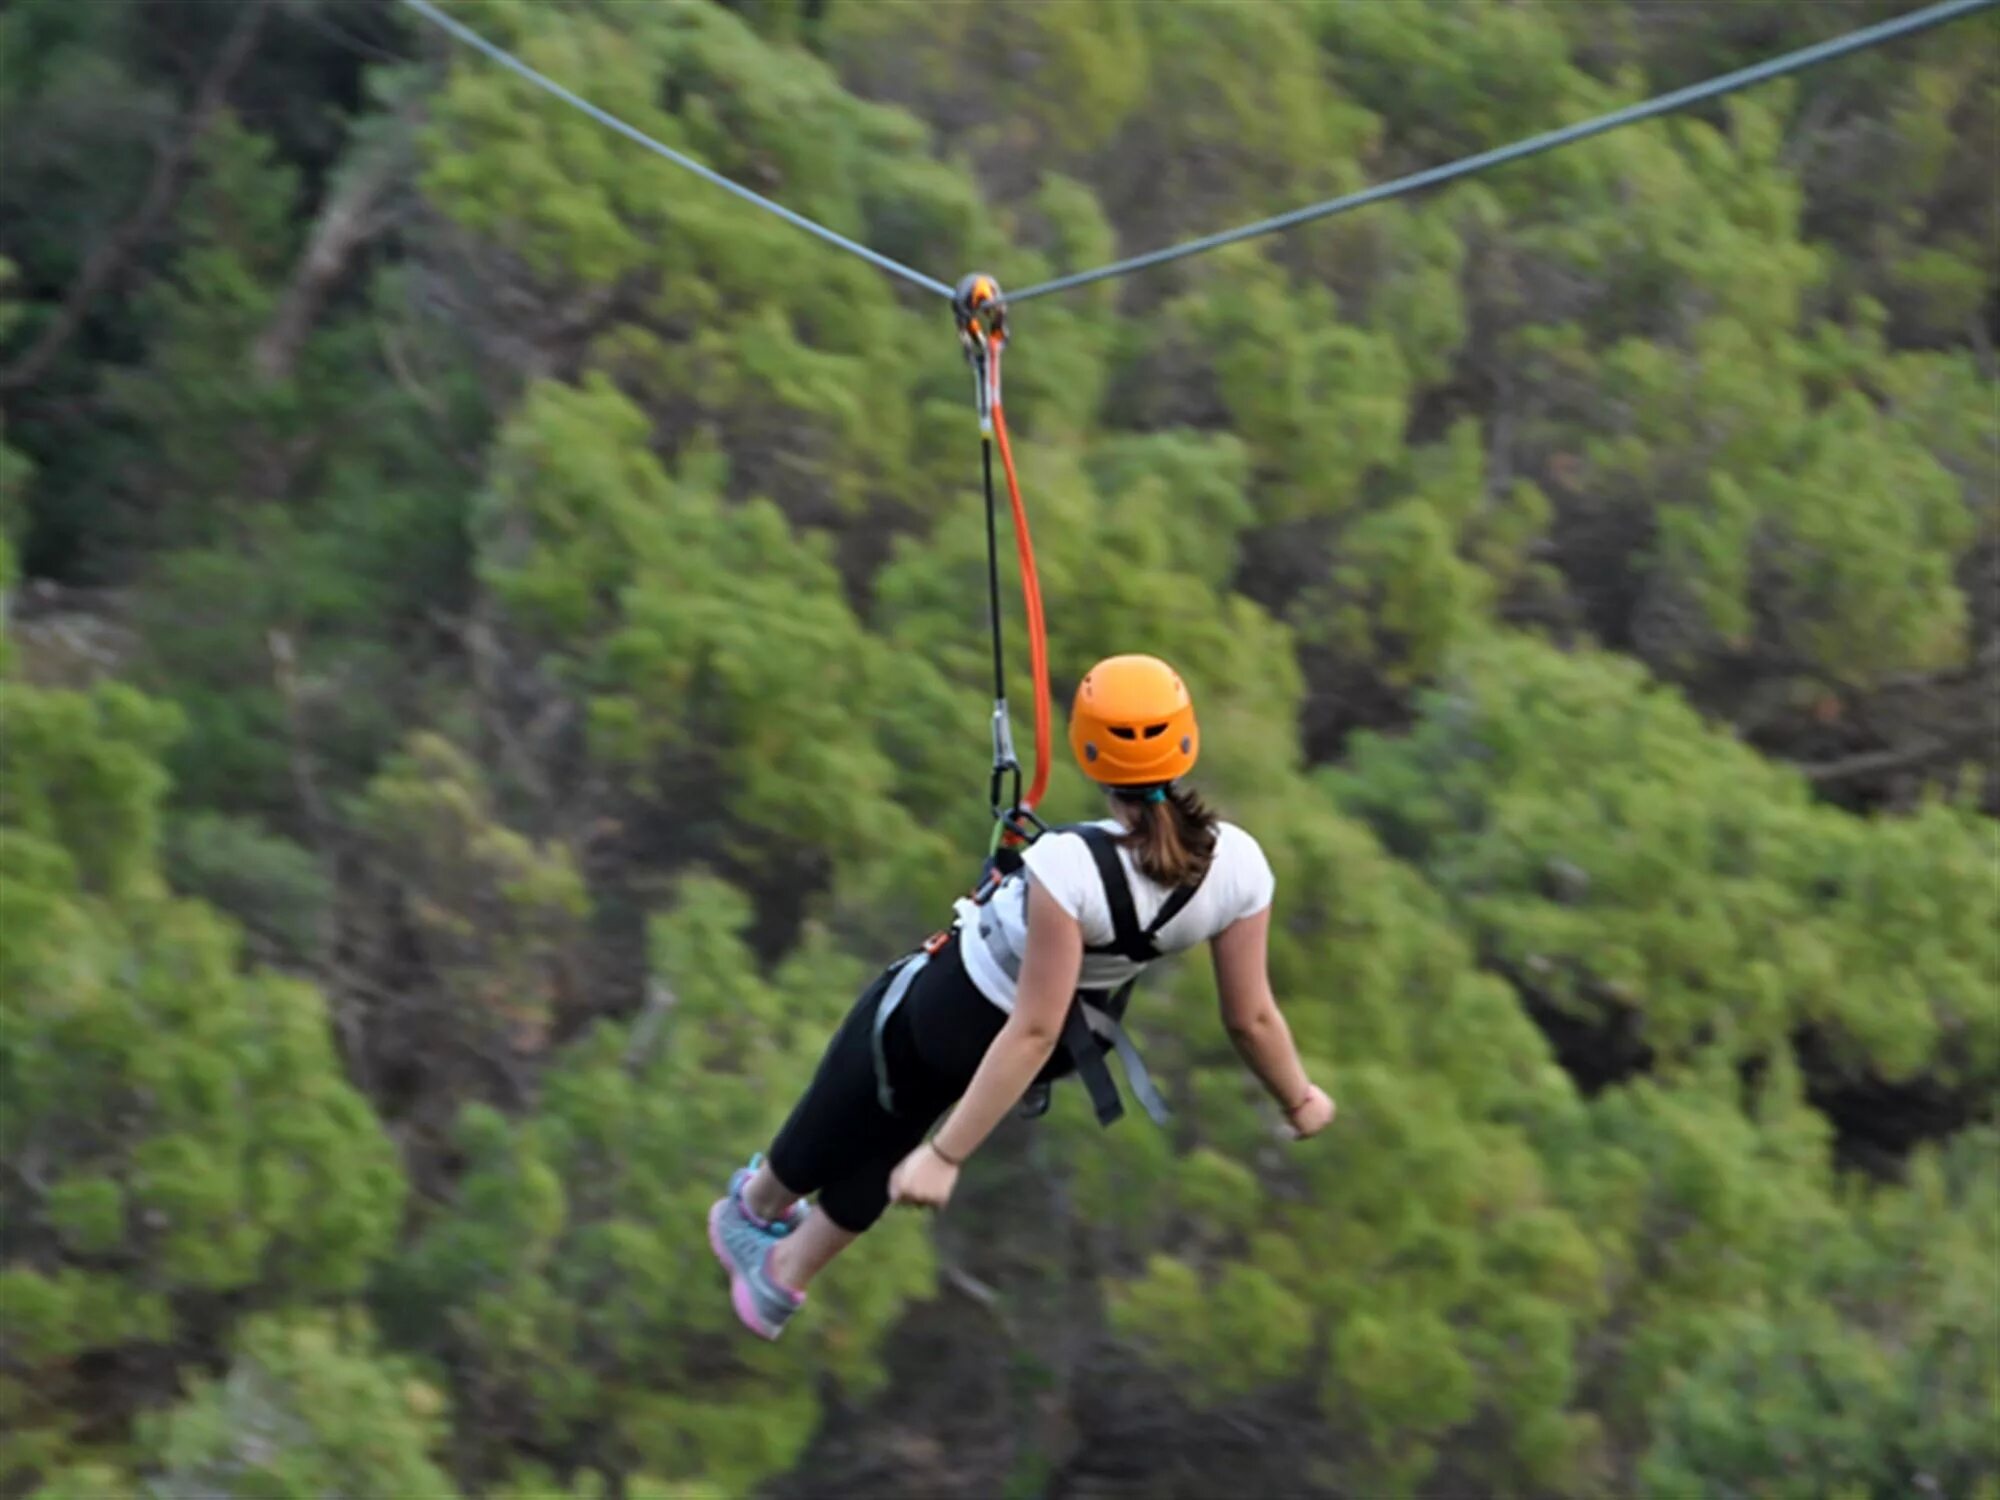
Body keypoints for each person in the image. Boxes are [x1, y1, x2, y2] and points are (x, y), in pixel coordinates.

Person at [707, 654, 1336, 1339]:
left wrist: (948, 1156)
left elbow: (1027, 1025)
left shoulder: (1067, 865)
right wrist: (1299, 1098)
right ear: (1186, 742)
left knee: (873, 1061)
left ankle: (758, 1206)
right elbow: (1251, 1017)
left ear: (1088, 751)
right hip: (1072, 1039)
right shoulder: (1239, 863)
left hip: (966, 1012)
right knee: (902, 1120)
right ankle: (786, 1274)